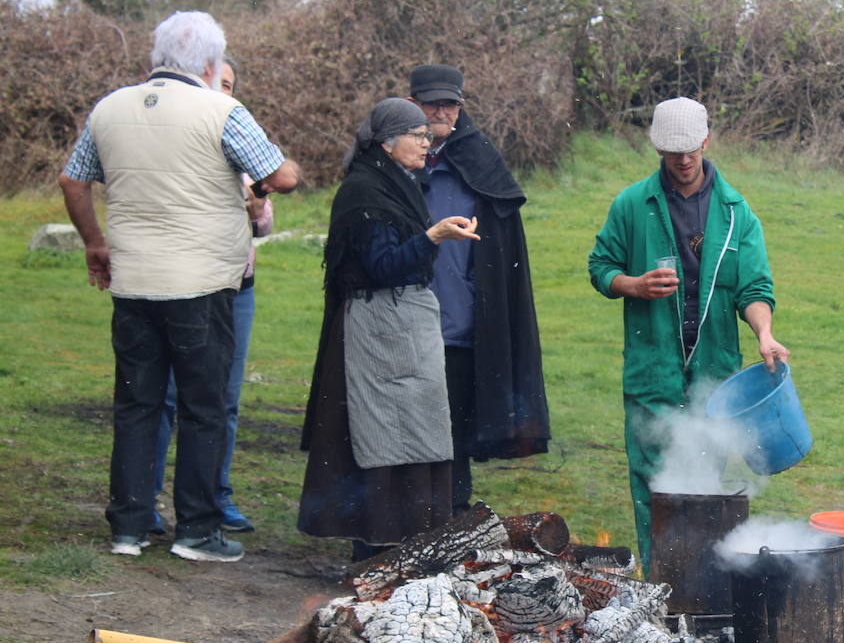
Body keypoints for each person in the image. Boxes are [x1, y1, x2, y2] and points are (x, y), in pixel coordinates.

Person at [57, 10, 299, 563]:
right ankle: (197, 531)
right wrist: (281, 175)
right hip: (201, 283)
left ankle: (129, 526)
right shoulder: (223, 110)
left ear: (156, 55)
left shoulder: (109, 109)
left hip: (133, 281)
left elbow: (74, 180)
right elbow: (280, 176)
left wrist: (95, 241)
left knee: (137, 404)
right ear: (213, 64)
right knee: (203, 407)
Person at [588, 97, 788, 568]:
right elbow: (600, 267)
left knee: (702, 480)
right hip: (651, 370)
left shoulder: (737, 212)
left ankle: (697, 587)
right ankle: (659, 589)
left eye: (690, 150)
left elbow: (755, 288)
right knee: (654, 482)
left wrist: (764, 333)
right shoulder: (633, 204)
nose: (682, 161)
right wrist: (632, 284)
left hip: (713, 375)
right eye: (671, 151)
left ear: (705, 140)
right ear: (658, 148)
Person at [298, 98, 480, 562]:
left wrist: (433, 237)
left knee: (418, 428)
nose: (426, 142)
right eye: (416, 135)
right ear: (386, 142)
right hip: (378, 329)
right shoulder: (364, 192)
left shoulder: (398, 184)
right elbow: (381, 267)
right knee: (383, 432)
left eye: (426, 135)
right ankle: (377, 545)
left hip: (404, 324)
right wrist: (433, 237)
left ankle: (409, 542)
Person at [407, 64, 550, 514]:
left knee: (453, 431)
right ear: (413, 105)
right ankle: (402, 522)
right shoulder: (394, 159)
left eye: (449, 104)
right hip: (404, 318)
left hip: (460, 322)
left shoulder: (479, 160)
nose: (441, 112)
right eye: (432, 103)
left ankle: (448, 521)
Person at [151, 56, 266, 535]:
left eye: (231, 84)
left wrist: (258, 208)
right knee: (168, 398)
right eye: (215, 82)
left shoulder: (243, 140)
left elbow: (264, 222)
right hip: (186, 287)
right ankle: (150, 502)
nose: (223, 91)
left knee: (227, 400)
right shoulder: (179, 137)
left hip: (237, 287)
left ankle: (218, 497)